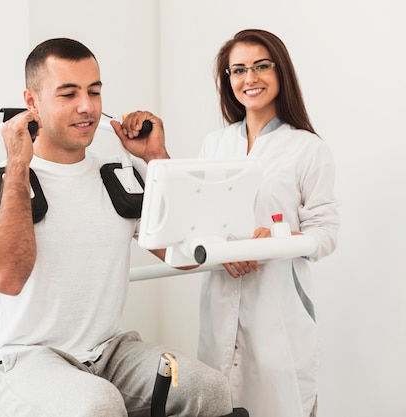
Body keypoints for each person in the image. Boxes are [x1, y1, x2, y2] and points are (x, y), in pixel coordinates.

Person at [0, 38, 248, 417]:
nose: (86, 107)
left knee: (208, 390)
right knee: (98, 405)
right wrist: (18, 167)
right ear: (32, 102)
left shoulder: (120, 177)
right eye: (68, 94)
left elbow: (187, 254)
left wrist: (155, 158)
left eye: (94, 91)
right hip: (20, 359)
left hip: (109, 352)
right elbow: (7, 277)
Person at [121, 29, 339, 417]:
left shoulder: (307, 147)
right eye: (237, 70)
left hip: (277, 306)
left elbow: (325, 232)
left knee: (281, 402)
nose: (249, 78)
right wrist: (155, 155)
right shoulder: (216, 144)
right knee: (221, 402)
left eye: (260, 66)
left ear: (280, 71)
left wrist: (275, 239)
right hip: (221, 295)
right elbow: (192, 212)